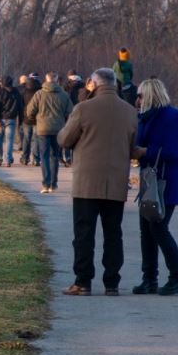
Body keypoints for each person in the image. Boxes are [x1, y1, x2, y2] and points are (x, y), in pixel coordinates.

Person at [57, 68, 138, 296]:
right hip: (116, 182)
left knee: (84, 234)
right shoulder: (130, 111)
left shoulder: (83, 108)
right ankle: (112, 283)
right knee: (113, 234)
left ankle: (83, 282)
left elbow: (64, 139)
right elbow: (132, 144)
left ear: (94, 83)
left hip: (87, 182)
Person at [133, 78, 178, 295]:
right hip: (150, 179)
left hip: (167, 180)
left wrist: (146, 152)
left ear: (150, 96)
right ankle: (149, 278)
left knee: (158, 227)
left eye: (140, 96)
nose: (137, 100)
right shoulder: (144, 117)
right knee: (146, 229)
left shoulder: (172, 116)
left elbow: (173, 150)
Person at [25, 72, 73, 193]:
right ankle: (53, 184)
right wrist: (63, 119)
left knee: (44, 156)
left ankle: (46, 184)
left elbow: (30, 111)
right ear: (57, 80)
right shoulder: (64, 94)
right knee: (55, 156)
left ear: (46, 80)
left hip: (42, 129)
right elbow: (70, 111)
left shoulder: (39, 94)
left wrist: (35, 119)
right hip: (58, 129)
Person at [0, 75, 23, 166]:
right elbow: (20, 107)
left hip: (0, 119)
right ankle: (8, 160)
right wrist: (20, 120)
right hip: (11, 119)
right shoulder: (16, 92)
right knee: (9, 140)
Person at [19, 72, 42, 165]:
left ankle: (25, 158)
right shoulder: (41, 90)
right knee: (37, 139)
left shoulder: (25, 90)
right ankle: (36, 159)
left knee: (26, 138)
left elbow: (21, 104)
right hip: (38, 118)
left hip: (26, 117)